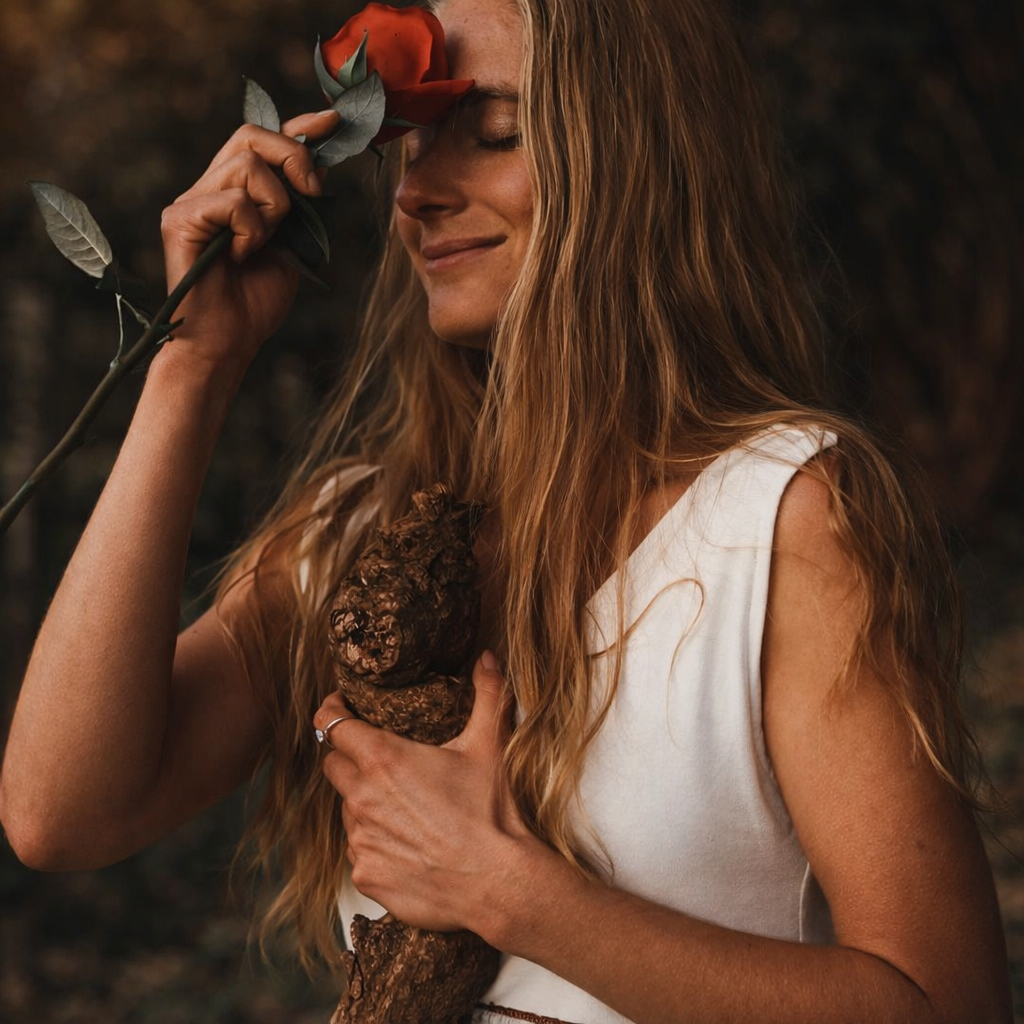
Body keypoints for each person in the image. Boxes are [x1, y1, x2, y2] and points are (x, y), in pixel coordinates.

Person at [0, 0, 1013, 1021]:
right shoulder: (362, 536)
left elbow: (947, 1001)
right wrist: (192, 368)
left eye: (492, 134)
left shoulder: (781, 519)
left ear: (634, 161)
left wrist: (508, 890)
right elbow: (63, 813)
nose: (420, 193)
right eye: (408, 148)